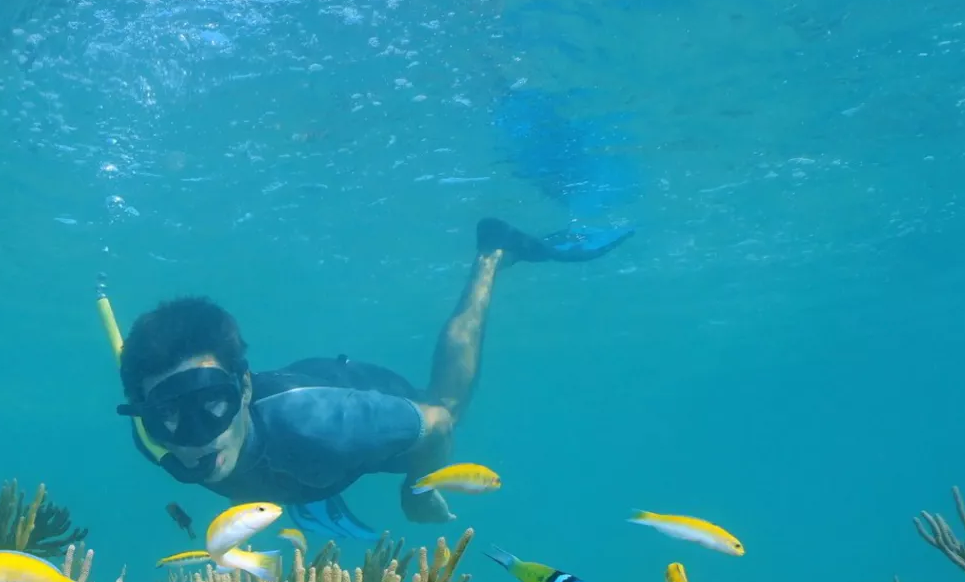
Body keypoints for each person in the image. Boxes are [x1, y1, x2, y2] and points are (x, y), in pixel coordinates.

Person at [110, 218, 629, 542]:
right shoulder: (150, 437)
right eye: (170, 417)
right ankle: (313, 492)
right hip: (299, 451)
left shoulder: (332, 427)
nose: (199, 437)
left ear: (242, 389)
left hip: (355, 397)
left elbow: (439, 425)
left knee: (448, 403)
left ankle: (492, 253)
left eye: (213, 406)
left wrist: (417, 489)